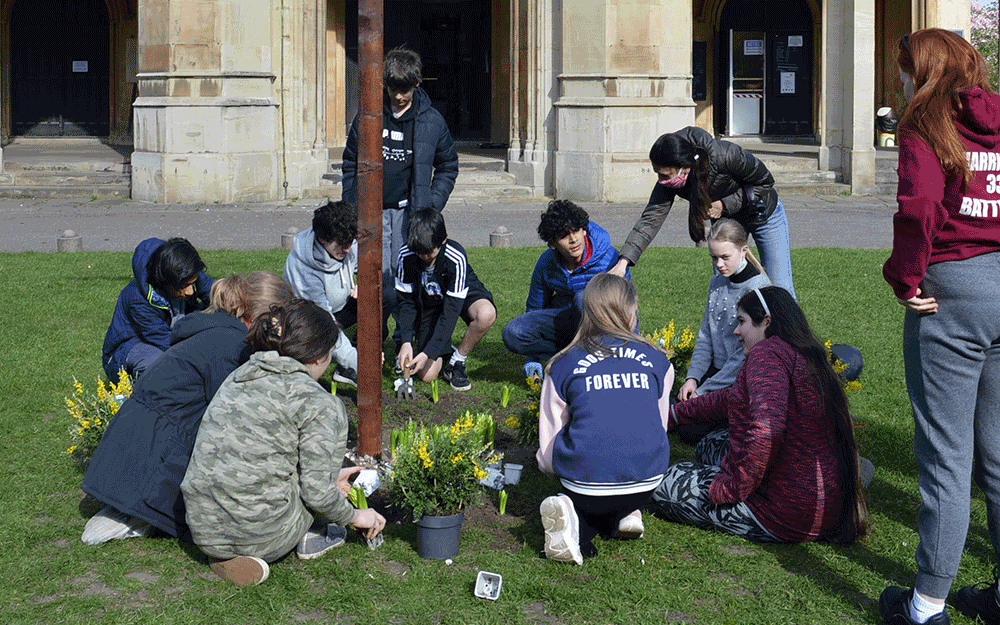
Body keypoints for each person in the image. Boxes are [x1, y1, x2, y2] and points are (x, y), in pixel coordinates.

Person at [878, 29, 1000, 625]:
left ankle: (926, 607)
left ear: (922, 71)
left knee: (946, 459)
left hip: (952, 292)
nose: (899, 82)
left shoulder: (924, 126)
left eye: (903, 71)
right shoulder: (996, 119)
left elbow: (918, 208)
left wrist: (905, 279)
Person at [181, 299, 386, 586]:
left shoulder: (237, 377)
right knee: (317, 493)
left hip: (201, 526)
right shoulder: (318, 403)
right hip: (261, 533)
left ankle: (224, 553)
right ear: (319, 357)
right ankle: (307, 537)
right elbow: (316, 492)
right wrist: (354, 516)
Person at [81, 272, 294, 545]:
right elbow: (235, 417)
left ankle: (132, 508)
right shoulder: (231, 346)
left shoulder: (217, 329)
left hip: (134, 448)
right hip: (155, 456)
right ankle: (136, 514)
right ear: (261, 317)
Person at [651, 286, 868, 545]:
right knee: (710, 443)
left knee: (666, 482)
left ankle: (754, 497)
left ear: (766, 321)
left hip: (784, 513)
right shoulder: (807, 353)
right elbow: (729, 399)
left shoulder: (767, 355)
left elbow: (768, 430)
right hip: (827, 506)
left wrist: (732, 488)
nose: (736, 331)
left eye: (742, 321)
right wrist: (673, 415)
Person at [537, 273, 673, 565]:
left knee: (586, 491)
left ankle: (574, 517)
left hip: (584, 486)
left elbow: (548, 448)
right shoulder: (660, 360)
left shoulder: (562, 364)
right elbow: (660, 427)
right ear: (631, 311)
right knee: (616, 482)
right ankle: (627, 513)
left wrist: (553, 473)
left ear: (586, 312)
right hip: (647, 481)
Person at [341, 45, 458, 336]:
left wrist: (431, 205)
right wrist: (352, 203)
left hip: (410, 213)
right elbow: (350, 162)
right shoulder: (368, 115)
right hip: (373, 212)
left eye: (405, 89)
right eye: (393, 88)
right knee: (373, 279)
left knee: (407, 279)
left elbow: (448, 166)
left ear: (417, 84)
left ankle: (405, 340)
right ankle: (369, 340)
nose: (399, 95)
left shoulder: (433, 121)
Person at [609, 127, 795, 299]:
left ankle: (789, 334)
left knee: (780, 287)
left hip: (764, 213)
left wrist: (724, 205)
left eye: (665, 175)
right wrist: (624, 261)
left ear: (685, 166)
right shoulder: (670, 179)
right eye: (657, 174)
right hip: (726, 224)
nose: (661, 180)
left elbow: (765, 181)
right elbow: (650, 219)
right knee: (725, 290)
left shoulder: (724, 154)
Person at [502, 200, 629, 381]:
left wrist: (631, 351)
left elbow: (627, 307)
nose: (573, 239)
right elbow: (535, 307)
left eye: (576, 230)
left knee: (582, 298)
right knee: (513, 333)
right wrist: (532, 359)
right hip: (566, 322)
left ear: (584, 229)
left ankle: (594, 358)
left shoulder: (610, 259)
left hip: (602, 328)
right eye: (564, 235)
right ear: (552, 243)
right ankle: (571, 355)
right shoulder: (546, 262)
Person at [284, 200, 393, 386]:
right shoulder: (304, 270)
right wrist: (359, 361)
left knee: (386, 294)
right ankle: (351, 363)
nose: (349, 249)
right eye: (342, 244)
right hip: (309, 320)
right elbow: (324, 320)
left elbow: (371, 268)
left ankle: (362, 349)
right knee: (326, 338)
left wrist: (365, 283)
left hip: (339, 307)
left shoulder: (346, 241)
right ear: (322, 239)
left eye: (351, 242)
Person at [396, 207, 496, 391]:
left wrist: (428, 352)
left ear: (443, 240)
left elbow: (451, 311)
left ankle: (457, 362)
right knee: (427, 375)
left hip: (458, 292)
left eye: (429, 253)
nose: (424, 258)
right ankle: (445, 350)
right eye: (420, 253)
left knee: (486, 314)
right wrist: (406, 341)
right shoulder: (406, 255)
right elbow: (406, 303)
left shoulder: (456, 257)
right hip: (429, 302)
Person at [102, 237, 213, 381]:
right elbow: (166, 343)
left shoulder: (187, 272)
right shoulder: (137, 299)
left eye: (192, 283)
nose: (190, 292)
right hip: (132, 346)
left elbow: (221, 298)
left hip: (174, 333)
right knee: (159, 364)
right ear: (166, 282)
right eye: (185, 286)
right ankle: (144, 396)